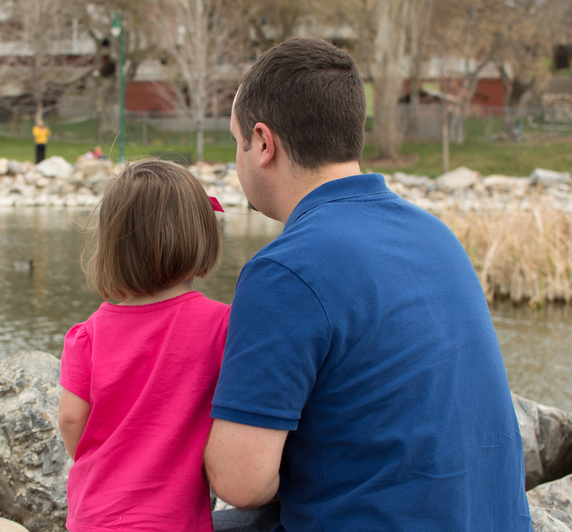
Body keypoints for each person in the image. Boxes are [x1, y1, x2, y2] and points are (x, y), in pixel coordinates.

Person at [204, 38, 532, 532]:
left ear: (264, 144)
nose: (238, 158)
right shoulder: (436, 236)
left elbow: (239, 481)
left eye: (237, 142)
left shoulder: (286, 270)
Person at [58, 158, 229, 532]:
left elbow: (70, 418)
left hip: (94, 515)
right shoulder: (222, 326)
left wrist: (103, 461)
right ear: (202, 235)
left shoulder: (88, 334)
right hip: (170, 517)